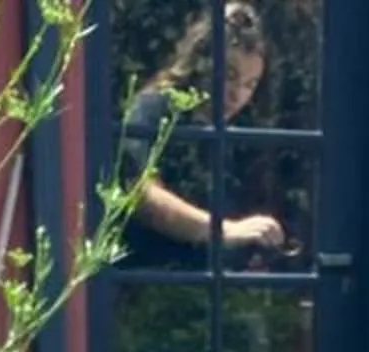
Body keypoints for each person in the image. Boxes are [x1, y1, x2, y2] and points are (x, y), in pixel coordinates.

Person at [118, 2, 285, 262]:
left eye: (250, 85)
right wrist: (224, 231)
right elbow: (140, 194)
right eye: (230, 76)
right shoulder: (155, 108)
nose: (238, 94)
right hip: (152, 286)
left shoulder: (235, 133)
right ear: (201, 60)